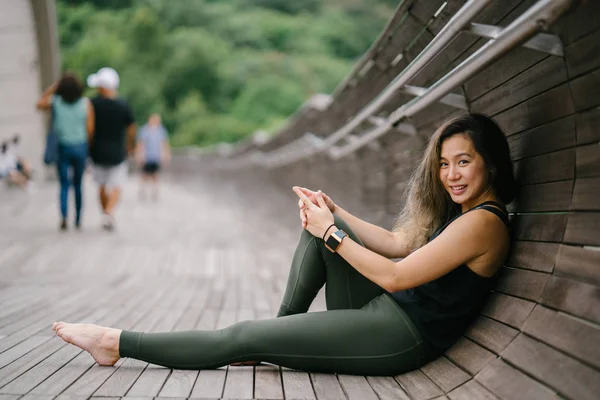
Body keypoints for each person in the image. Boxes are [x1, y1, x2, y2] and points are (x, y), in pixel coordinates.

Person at [52, 113, 515, 376]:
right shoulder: (465, 213)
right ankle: (279, 333)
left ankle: (115, 342)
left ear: (490, 164)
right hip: (388, 311)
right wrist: (335, 215)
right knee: (317, 237)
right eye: (443, 164)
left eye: (463, 162)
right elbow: (398, 243)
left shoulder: (484, 224)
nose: (450, 175)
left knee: (242, 336)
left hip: (401, 336)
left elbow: (395, 275)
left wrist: (329, 233)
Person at [36, 73, 95, 230]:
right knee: (78, 184)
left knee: (63, 184)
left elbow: (39, 104)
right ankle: (78, 218)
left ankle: (63, 216)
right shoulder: (85, 103)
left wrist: (53, 88)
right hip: (80, 146)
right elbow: (90, 129)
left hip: (63, 147)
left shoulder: (56, 102)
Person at [86, 67, 136, 231]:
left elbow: (90, 129)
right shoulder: (122, 105)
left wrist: (89, 145)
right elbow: (131, 127)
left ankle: (105, 212)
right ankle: (109, 212)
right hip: (117, 151)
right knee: (116, 184)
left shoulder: (92, 104)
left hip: (97, 151)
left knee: (101, 184)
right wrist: (130, 145)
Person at [136, 113, 170, 201]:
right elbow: (141, 144)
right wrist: (140, 155)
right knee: (145, 174)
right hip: (146, 156)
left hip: (156, 156)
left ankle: (155, 191)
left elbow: (164, 144)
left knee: (155, 174)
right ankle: (142, 190)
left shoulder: (161, 131)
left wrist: (165, 155)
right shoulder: (144, 130)